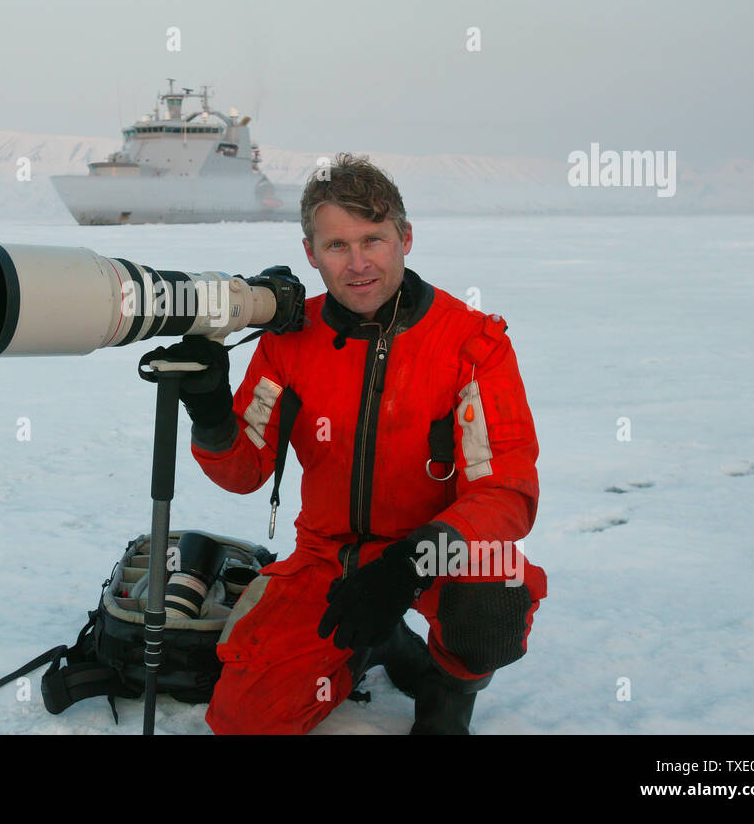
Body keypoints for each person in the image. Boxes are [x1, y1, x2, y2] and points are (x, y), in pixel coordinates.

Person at [167, 153, 548, 735]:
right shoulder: (288, 343)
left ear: (406, 238)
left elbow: (505, 492)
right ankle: (371, 643)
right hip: (329, 556)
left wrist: (410, 563)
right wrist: (212, 411)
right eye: (337, 246)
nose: (358, 264)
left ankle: (445, 702)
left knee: (493, 596)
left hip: (438, 552)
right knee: (245, 722)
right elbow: (244, 471)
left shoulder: (472, 344)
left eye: (373, 239)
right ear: (310, 254)